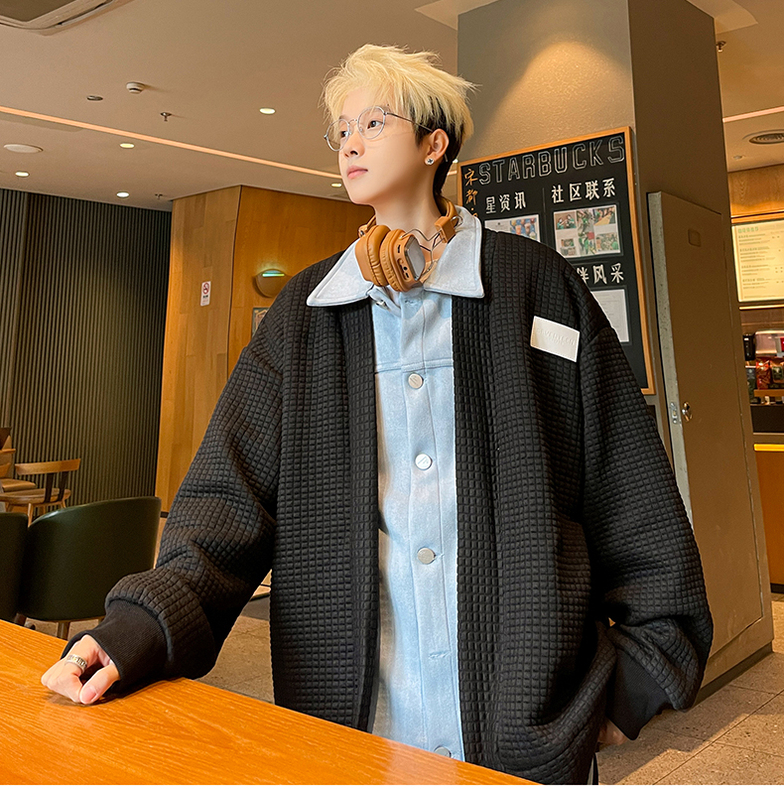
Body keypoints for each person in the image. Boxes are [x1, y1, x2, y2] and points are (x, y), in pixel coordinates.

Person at [41, 44, 712, 784]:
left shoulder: (538, 289)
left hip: (526, 734)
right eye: (341, 130)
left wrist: (633, 686)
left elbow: (631, 493)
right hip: (344, 734)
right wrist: (135, 629)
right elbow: (226, 504)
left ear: (434, 144)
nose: (350, 143)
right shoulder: (304, 315)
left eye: (373, 122)